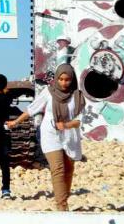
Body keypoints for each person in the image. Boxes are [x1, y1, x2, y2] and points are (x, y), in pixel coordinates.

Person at [6, 64, 86, 211]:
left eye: (67, 80)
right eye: (60, 79)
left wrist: (67, 125)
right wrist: (15, 122)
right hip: (50, 135)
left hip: (70, 135)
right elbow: (32, 109)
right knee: (57, 168)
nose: (63, 83)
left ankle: (64, 196)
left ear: (72, 79)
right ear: (56, 79)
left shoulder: (77, 96)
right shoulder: (48, 92)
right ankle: (62, 206)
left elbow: (80, 119)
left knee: (69, 169)